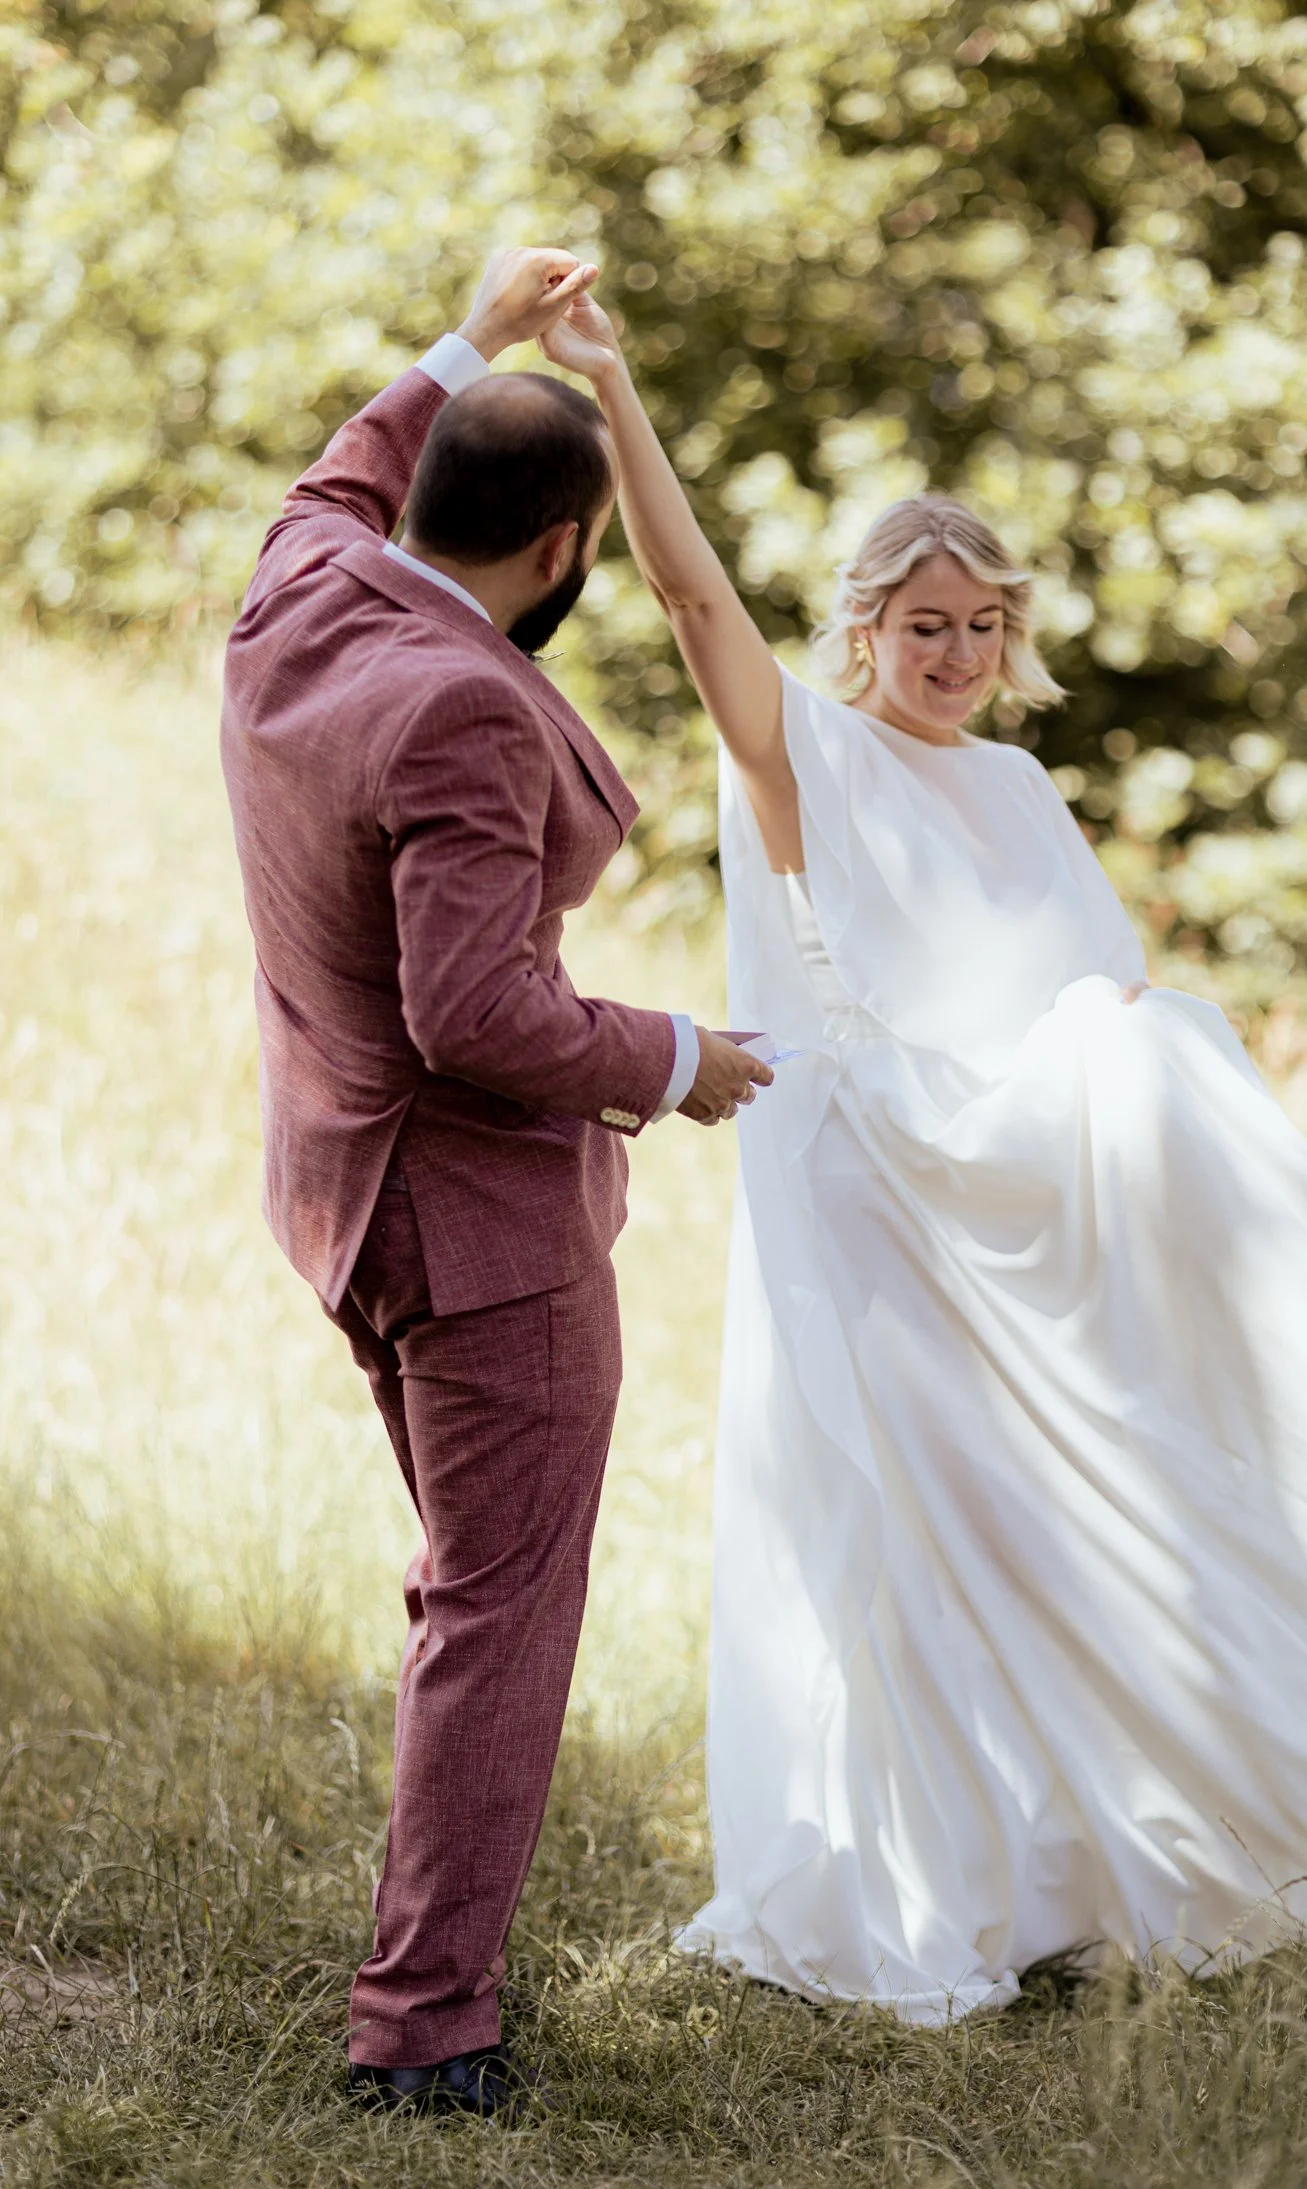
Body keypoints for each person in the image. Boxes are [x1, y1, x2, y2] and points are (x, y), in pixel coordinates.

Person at [537, 280, 1307, 2021]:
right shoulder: (802, 758)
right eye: (920, 624)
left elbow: (1101, 992)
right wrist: (613, 386)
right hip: (879, 1191)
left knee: (1061, 1523)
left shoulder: (1024, 793)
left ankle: (1071, 1866)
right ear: (863, 633)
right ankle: (922, 1880)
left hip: (1032, 1206)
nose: (950, 656)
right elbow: (683, 590)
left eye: (977, 628)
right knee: (912, 1529)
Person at [220, 244, 771, 2114]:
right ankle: (424, 2031)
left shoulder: (298, 593)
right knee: (502, 1615)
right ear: (560, 554)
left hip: (342, 1195)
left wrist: (474, 333)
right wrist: (683, 1062)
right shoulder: (457, 705)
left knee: (471, 1586)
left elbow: (328, 481)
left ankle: (423, 1972)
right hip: (478, 1234)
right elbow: (480, 1014)